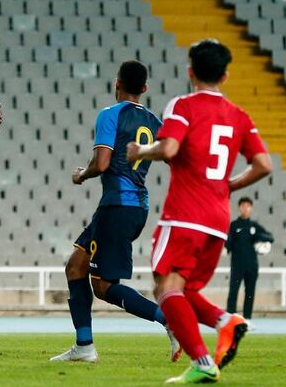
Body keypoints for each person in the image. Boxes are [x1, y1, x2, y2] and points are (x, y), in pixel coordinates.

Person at [127, 39, 272, 384]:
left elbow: (171, 146)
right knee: (183, 289)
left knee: (165, 287)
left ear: (190, 71)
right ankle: (226, 322)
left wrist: (139, 150)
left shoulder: (183, 105)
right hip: (218, 220)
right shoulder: (239, 116)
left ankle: (203, 360)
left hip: (184, 214)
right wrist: (228, 186)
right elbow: (264, 164)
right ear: (225, 75)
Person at [51, 61, 179, 363]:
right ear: (145, 88)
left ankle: (170, 320)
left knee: (104, 287)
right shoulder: (154, 121)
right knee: (76, 266)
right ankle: (84, 346)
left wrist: (82, 174)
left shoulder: (110, 115)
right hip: (132, 207)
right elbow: (174, 158)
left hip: (117, 207)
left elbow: (103, 162)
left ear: (116, 83)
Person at [226, 196, 274, 321]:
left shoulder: (254, 226)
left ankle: (247, 319)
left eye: (248, 206)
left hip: (252, 265)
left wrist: (258, 237)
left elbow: (270, 237)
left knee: (250, 292)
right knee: (233, 291)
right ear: (239, 207)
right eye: (243, 206)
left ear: (251, 208)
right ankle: (230, 318)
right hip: (237, 265)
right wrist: (227, 246)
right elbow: (227, 243)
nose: (245, 208)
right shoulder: (234, 225)